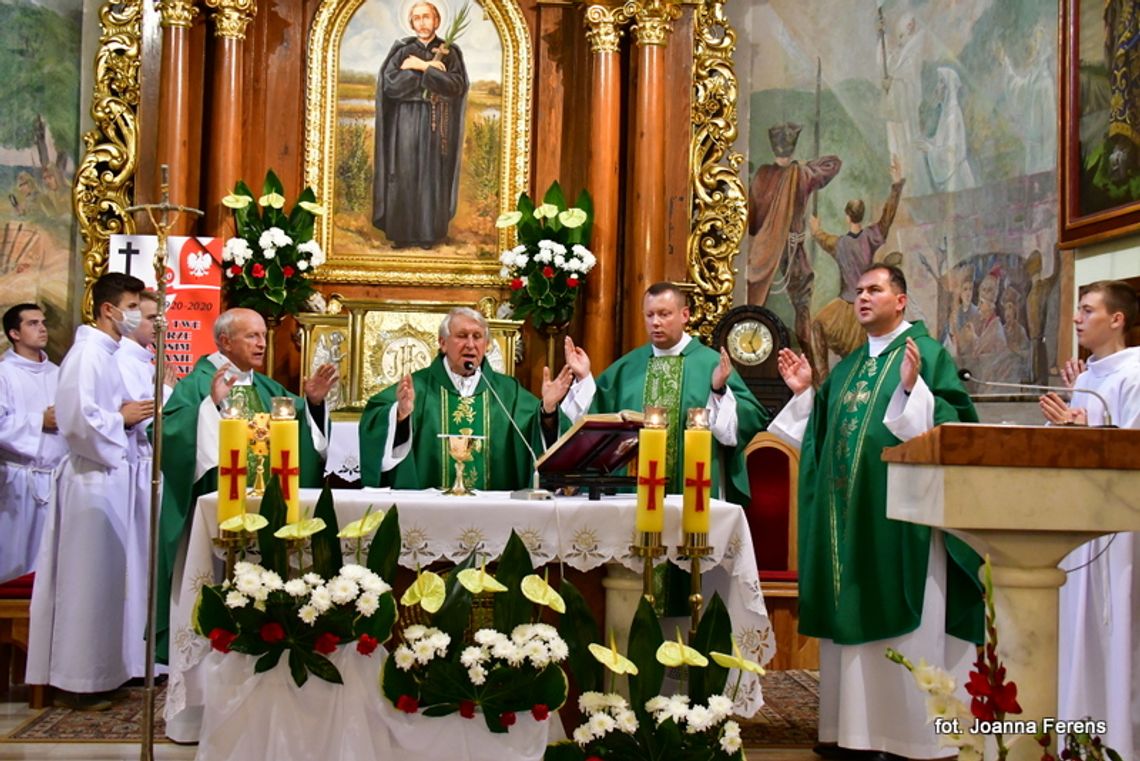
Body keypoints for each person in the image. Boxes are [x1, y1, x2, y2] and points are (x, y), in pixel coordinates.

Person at [769, 264, 983, 760]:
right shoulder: (845, 369)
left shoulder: (925, 355)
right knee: (853, 627)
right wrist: (807, 395)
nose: (862, 298)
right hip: (848, 522)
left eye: (875, 290)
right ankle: (855, 735)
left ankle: (911, 739)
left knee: (908, 623)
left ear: (901, 300)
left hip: (902, 524)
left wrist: (913, 390)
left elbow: (956, 426)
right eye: (858, 291)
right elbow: (823, 437)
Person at [154, 308, 338, 666]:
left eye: (263, 336)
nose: (261, 342)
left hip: (266, 516)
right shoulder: (198, 384)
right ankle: (206, 662)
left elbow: (301, 433)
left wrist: (313, 404)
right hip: (216, 518)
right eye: (251, 336)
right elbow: (167, 437)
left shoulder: (267, 388)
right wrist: (214, 406)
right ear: (224, 341)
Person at [27, 272, 155, 710]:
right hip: (90, 480)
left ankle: (102, 674)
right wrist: (123, 418)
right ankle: (77, 683)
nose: (136, 315)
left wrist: (128, 418)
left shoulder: (107, 353)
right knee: (86, 584)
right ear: (109, 309)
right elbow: (77, 420)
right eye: (132, 305)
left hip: (109, 478)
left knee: (106, 585)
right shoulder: (86, 355)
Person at [1040, 280, 1140, 759]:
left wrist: (1087, 428)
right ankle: (1078, 736)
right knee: (1079, 631)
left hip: (1119, 527)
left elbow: (1132, 445)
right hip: (1079, 520)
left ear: (1116, 319)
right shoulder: (1088, 376)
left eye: (1087, 309)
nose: (1077, 318)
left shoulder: (1137, 371)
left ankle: (1119, 737)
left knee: (1115, 627)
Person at [560, 282, 770, 508]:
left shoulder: (711, 364)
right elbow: (596, 418)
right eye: (649, 315)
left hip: (694, 493)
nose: (655, 322)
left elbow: (747, 421)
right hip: (634, 493)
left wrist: (718, 391)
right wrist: (584, 378)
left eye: (664, 314)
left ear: (685, 315)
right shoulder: (628, 367)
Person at [359, 307, 570, 490]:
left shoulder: (507, 392)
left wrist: (548, 410)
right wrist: (400, 415)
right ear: (443, 343)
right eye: (461, 336)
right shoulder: (418, 387)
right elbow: (374, 419)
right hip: (427, 513)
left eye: (477, 337)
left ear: (486, 345)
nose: (470, 344)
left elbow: (535, 435)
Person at [747, 122, 842, 383]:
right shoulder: (800, 174)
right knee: (802, 306)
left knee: (758, 305)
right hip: (790, 248)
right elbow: (833, 163)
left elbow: (753, 222)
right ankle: (812, 369)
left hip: (764, 250)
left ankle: (750, 359)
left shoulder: (763, 175)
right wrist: (803, 166)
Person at [372, 0, 469, 249]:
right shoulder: (402, 50)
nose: (422, 22)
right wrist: (427, 72)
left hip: (435, 123)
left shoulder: (450, 51)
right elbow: (390, 85)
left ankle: (428, 234)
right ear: (411, 22)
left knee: (430, 174)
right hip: (404, 122)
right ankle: (401, 234)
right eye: (417, 18)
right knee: (403, 173)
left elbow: (455, 86)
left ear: (436, 21)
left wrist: (421, 66)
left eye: (427, 17)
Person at [808, 157, 905, 379]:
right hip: (856, 305)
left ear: (846, 215)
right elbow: (888, 216)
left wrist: (814, 229)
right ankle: (825, 381)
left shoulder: (840, 243)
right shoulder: (871, 236)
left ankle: (822, 378)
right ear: (860, 215)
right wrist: (896, 186)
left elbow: (822, 238)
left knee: (818, 326)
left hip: (845, 307)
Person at [0, 303, 66, 583]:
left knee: (51, 567)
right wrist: (39, 421)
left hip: (56, 479)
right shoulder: (4, 373)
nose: (42, 328)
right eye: (32, 323)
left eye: (43, 322)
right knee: (14, 563)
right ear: (14, 333)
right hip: (19, 482)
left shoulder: (57, 372)